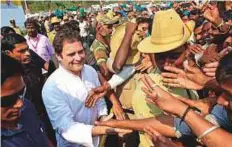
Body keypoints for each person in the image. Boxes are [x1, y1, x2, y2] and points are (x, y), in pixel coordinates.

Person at [42, 26, 131, 147]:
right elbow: (67, 129)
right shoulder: (52, 88)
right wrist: (106, 129)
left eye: (80, 51)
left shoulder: (90, 71)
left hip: (100, 140)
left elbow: (99, 101)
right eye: (71, 54)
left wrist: (104, 117)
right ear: (58, 56)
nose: (78, 58)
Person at [1, 33, 56, 145]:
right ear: (8, 53)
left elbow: (44, 138)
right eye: (9, 100)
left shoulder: (27, 108)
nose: (20, 103)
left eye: (22, 93)